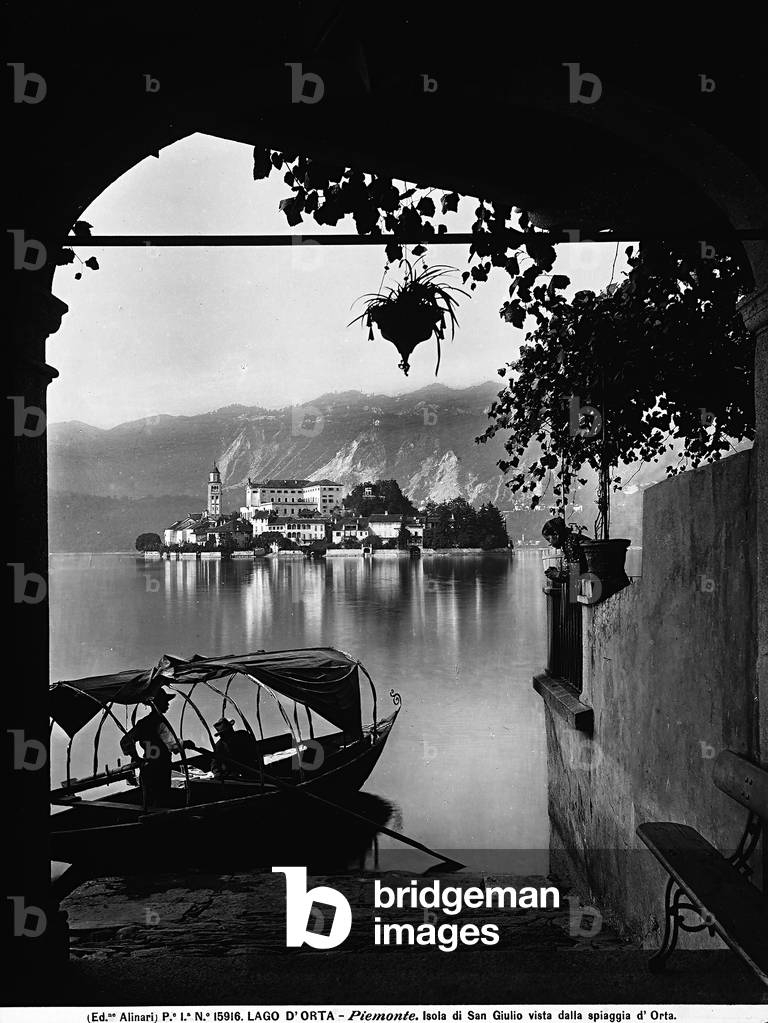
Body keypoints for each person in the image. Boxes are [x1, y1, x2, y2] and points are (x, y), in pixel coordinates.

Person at [119, 689, 193, 808]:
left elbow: (125, 741)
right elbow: (172, 743)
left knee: (148, 799)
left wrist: (137, 759)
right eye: (165, 702)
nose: (168, 704)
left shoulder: (142, 723)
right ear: (158, 703)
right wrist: (186, 743)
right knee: (161, 798)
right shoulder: (160, 722)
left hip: (147, 768)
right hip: (161, 767)